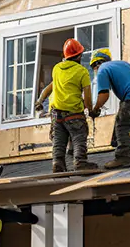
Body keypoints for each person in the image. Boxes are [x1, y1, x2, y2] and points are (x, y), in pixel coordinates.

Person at [33, 38, 99, 173]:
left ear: (65, 55)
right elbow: (87, 96)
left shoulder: (57, 69)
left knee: (59, 140)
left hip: (56, 114)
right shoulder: (82, 71)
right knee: (79, 136)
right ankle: (80, 161)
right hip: (74, 113)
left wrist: (40, 101)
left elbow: (49, 88)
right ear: (79, 56)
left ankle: (58, 163)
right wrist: (91, 110)